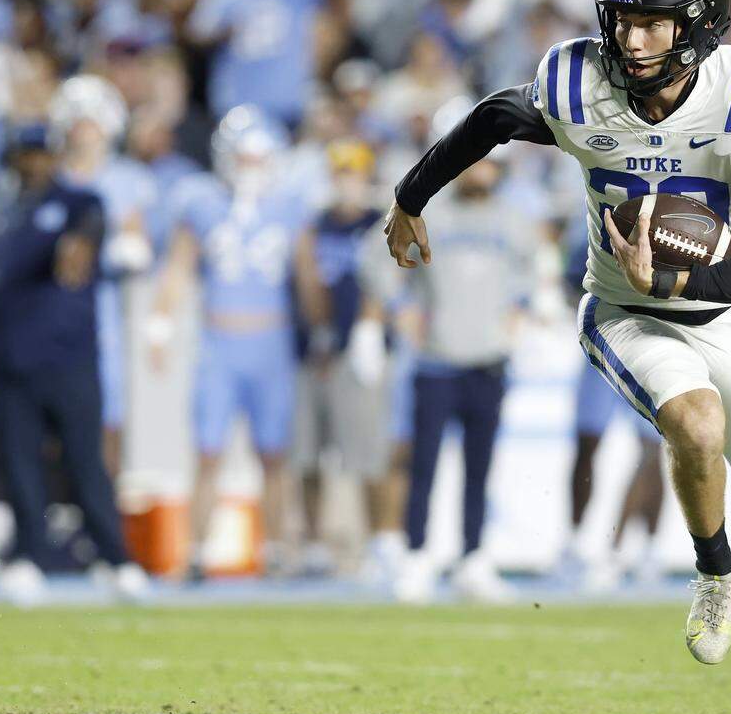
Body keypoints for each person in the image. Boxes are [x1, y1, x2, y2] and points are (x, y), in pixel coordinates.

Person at [385, 0, 731, 714]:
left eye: (653, 22)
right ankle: (713, 569)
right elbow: (491, 118)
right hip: (625, 310)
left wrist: (682, 275)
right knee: (697, 420)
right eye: (622, 19)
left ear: (699, 23)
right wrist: (412, 197)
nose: (630, 37)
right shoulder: (579, 83)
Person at [0, 125, 148, 606]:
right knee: (19, 465)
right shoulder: (1, 211)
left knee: (85, 460)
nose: (34, 163)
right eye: (26, 154)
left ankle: (116, 558)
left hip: (68, 358)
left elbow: (83, 243)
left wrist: (78, 253)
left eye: (41, 154)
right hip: (12, 359)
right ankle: (29, 557)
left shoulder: (81, 203)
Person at [149, 105, 325, 579]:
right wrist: (159, 325)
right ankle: (195, 553)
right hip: (219, 341)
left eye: (257, 159)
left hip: (271, 339)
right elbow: (179, 267)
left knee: (275, 455)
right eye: (244, 159)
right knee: (208, 454)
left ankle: (278, 551)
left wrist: (322, 331)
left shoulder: (289, 204)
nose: (251, 169)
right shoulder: (202, 201)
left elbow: (306, 275)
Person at [393, 156, 533, 604]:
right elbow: (379, 265)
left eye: (489, 164)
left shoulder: (513, 219)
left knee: (479, 467)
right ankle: (416, 555)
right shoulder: (427, 213)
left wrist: (520, 312)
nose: (480, 171)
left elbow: (532, 273)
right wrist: (403, 309)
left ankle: (473, 557)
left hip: (488, 360)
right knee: (424, 466)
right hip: (436, 358)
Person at [50, 75, 156, 480]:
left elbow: (136, 246)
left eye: (92, 120)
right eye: (77, 120)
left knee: (107, 417)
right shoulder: (52, 177)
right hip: (53, 310)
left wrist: (107, 247)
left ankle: (103, 513)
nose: (84, 130)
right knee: (53, 416)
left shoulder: (125, 179)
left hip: (102, 314)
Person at [290, 139, 387, 576]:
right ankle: (313, 545)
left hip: (359, 350)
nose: (348, 182)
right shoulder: (315, 227)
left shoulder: (378, 223)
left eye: (355, 173)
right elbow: (306, 282)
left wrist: (370, 328)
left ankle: (375, 544)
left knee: (365, 453)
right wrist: (320, 336)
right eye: (341, 173)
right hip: (316, 348)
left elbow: (388, 279)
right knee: (308, 453)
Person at [560, 225, 666, 592]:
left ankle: (628, 549)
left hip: (649, 348)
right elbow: (571, 283)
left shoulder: (671, 225)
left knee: (652, 452)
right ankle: (575, 543)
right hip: (602, 346)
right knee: (587, 443)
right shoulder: (593, 228)